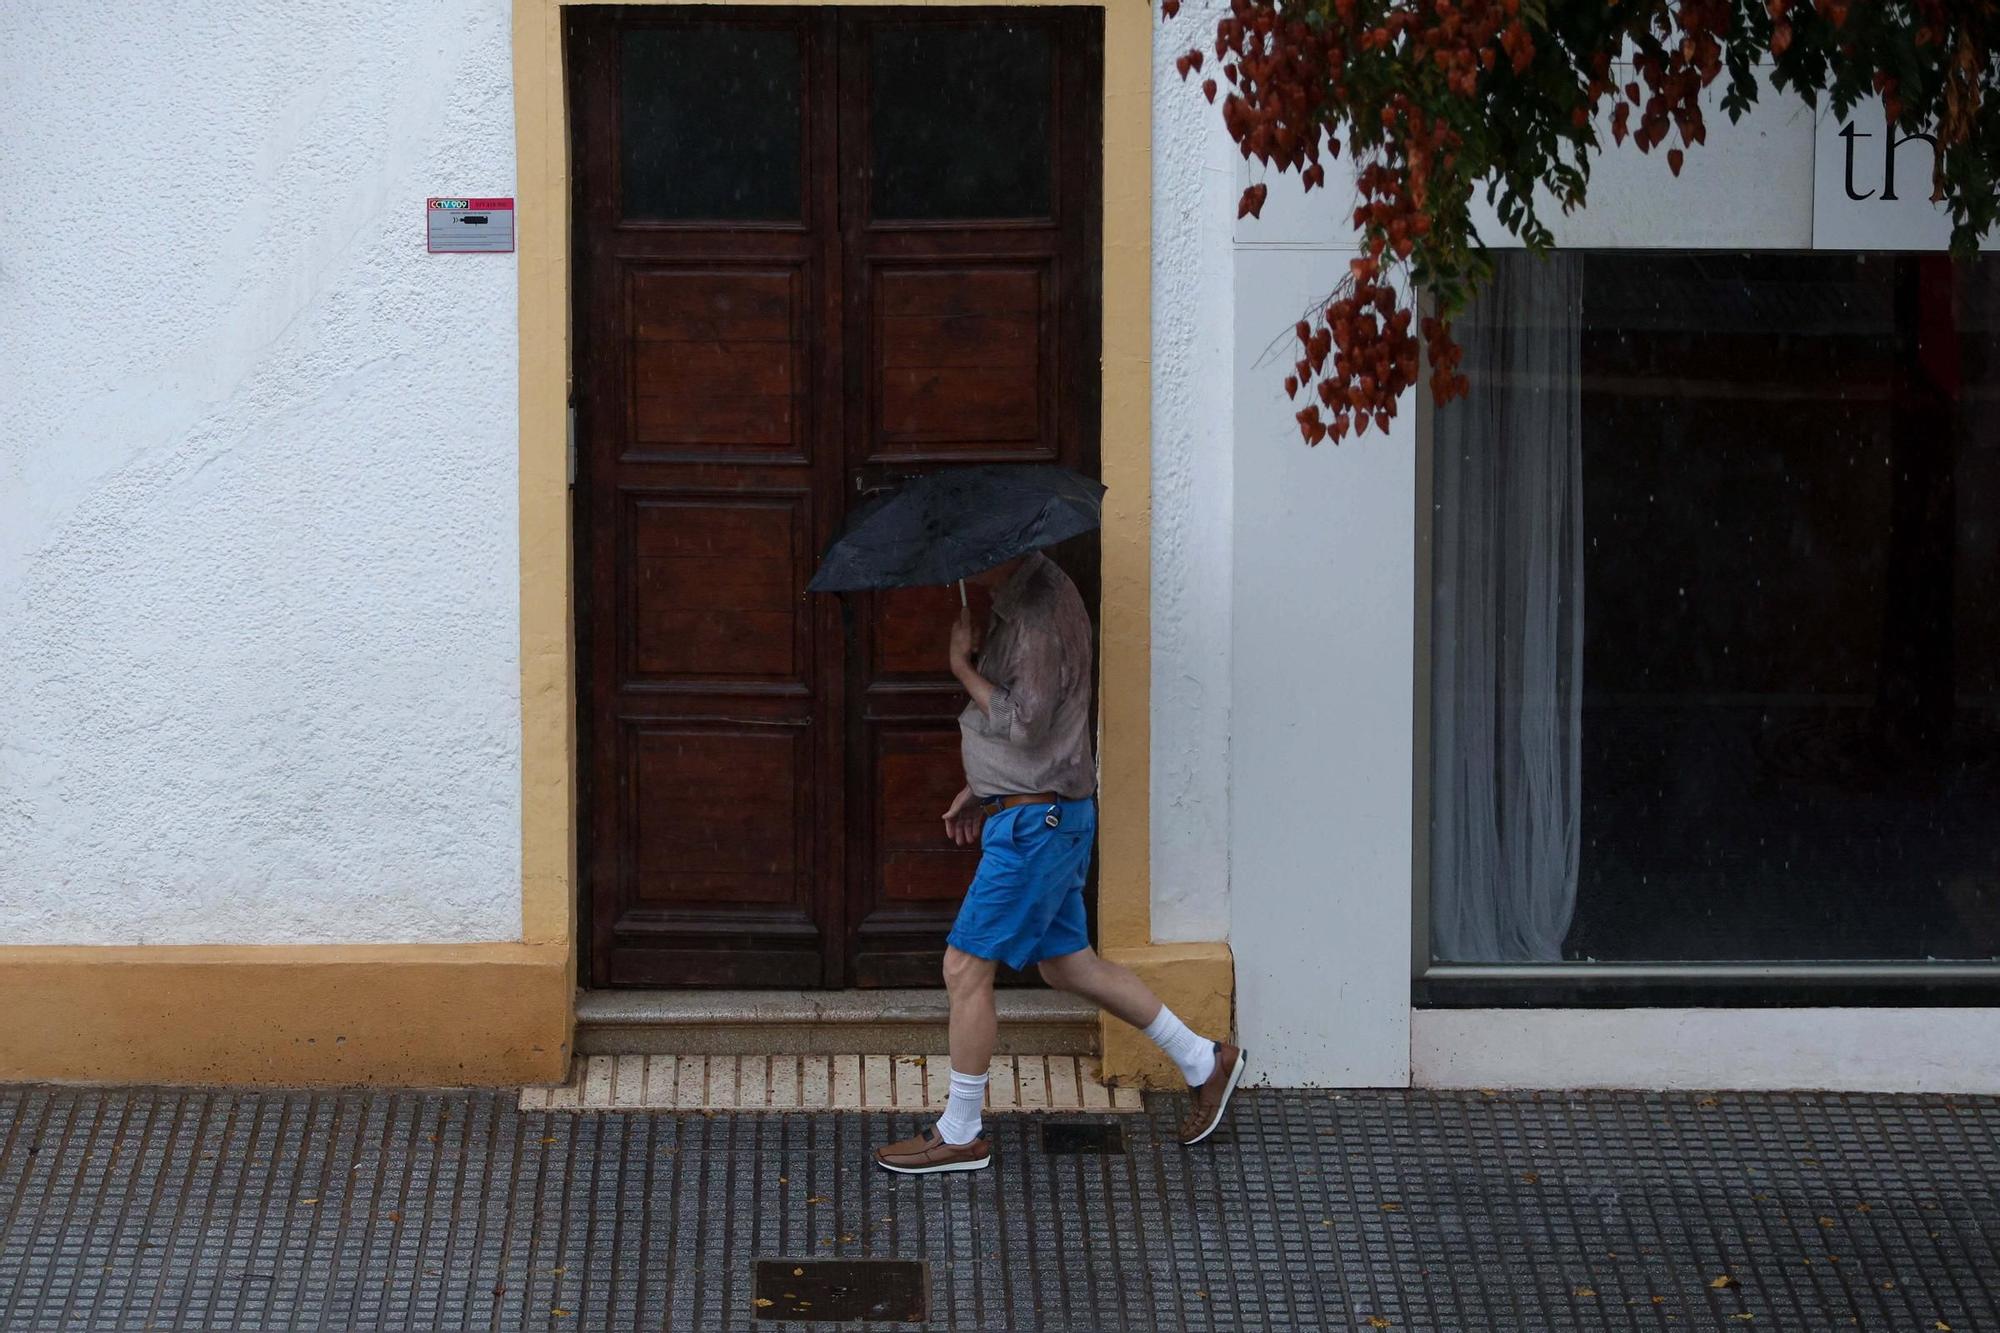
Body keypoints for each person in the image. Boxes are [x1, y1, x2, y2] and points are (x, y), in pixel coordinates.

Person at [874, 550, 1245, 1175]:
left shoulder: (1037, 616)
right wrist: (984, 788)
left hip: (1035, 827)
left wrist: (960, 665)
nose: (961, 569)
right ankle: (1203, 1060)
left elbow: (1025, 722)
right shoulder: (1030, 598)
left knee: (964, 967)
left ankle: (960, 1134)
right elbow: (1044, 730)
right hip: (1043, 814)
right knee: (1070, 966)